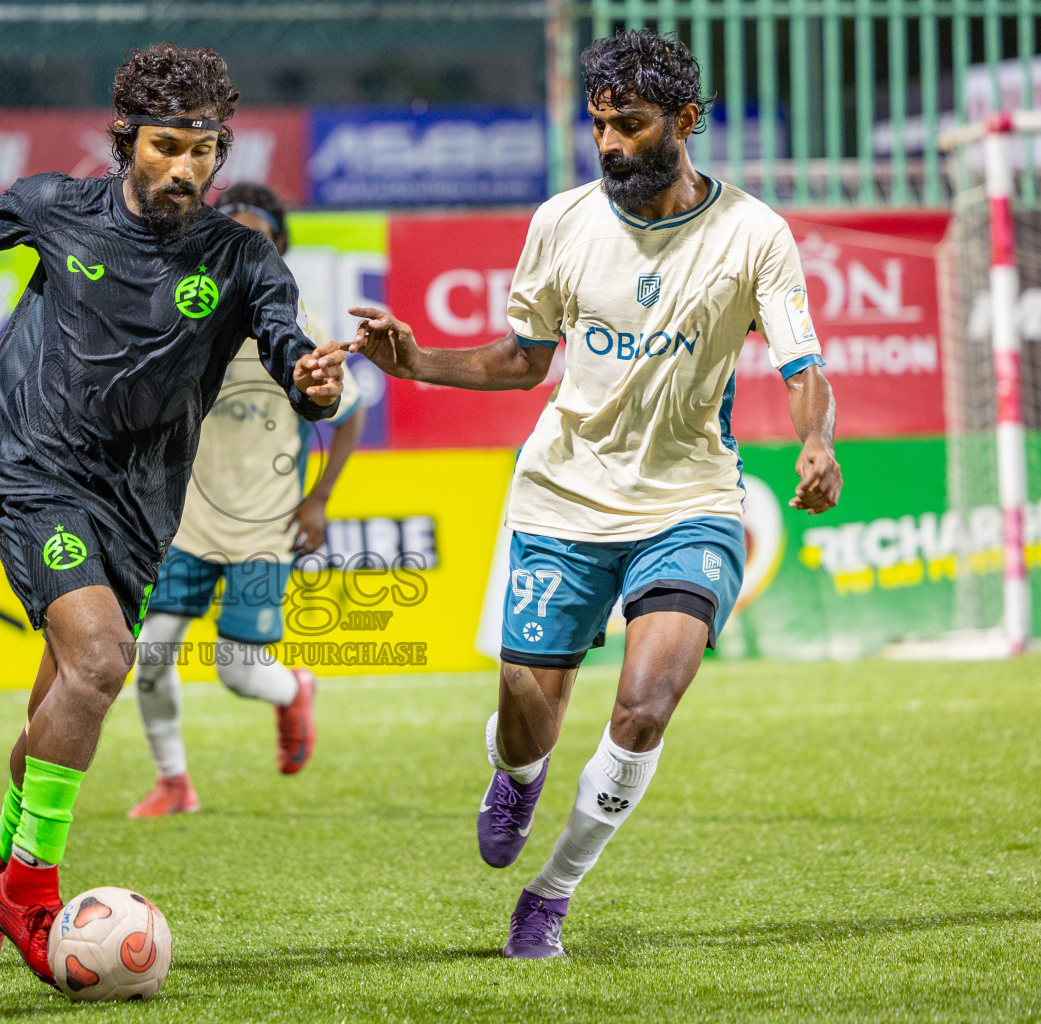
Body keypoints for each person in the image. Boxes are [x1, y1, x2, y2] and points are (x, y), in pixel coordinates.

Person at [0, 43, 345, 986]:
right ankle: (30, 886)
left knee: (64, 700)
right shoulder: (55, 207)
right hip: (37, 466)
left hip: (143, 503)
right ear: (124, 141)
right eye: (166, 147)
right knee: (103, 661)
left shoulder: (241, 257)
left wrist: (314, 386)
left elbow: (290, 352)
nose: (185, 168)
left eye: (203, 150)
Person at [347, 29, 841, 959]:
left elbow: (802, 362)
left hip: (690, 501)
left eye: (632, 124)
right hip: (562, 500)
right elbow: (523, 359)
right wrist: (416, 363)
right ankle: (515, 773)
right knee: (526, 724)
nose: (610, 144)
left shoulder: (754, 234)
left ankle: (552, 894)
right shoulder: (562, 222)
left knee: (645, 706)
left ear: (685, 120)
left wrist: (816, 439)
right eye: (600, 125)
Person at [129, 182, 366, 818]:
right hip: (184, 523)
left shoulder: (297, 325)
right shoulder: (181, 311)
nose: (239, 248)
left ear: (278, 247)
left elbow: (350, 412)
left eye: (254, 238)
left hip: (264, 528)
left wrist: (317, 500)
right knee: (148, 659)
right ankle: (173, 782)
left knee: (237, 671)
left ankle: (293, 690)